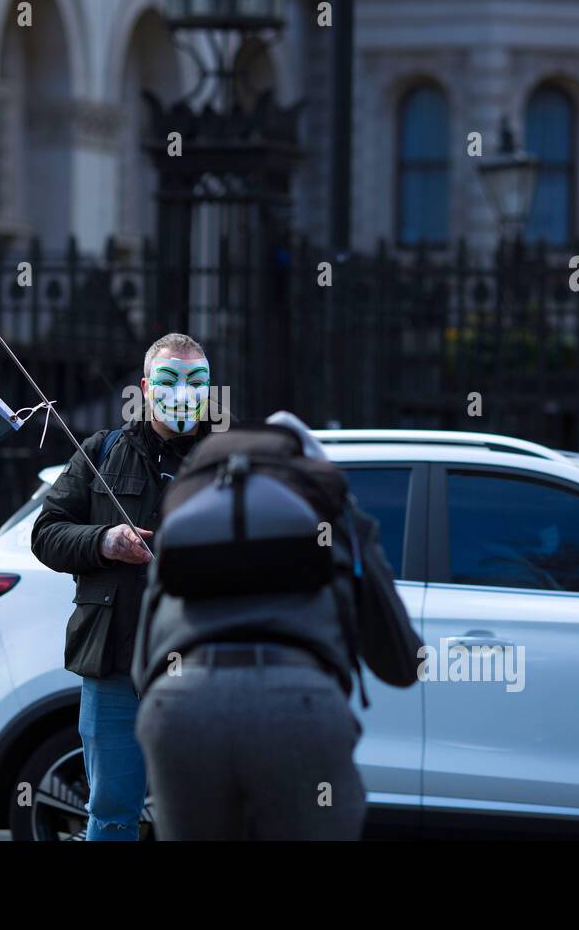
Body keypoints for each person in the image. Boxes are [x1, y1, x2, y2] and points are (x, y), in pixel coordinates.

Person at [130, 412, 422, 840]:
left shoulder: (187, 509)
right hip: (299, 705)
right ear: (310, 471)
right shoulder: (333, 514)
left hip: (178, 709)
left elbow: (142, 667)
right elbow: (401, 663)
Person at [31, 332, 216, 840]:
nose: (183, 392)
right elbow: (46, 533)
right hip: (114, 663)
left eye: (197, 381)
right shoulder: (101, 453)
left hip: (199, 666)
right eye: (169, 379)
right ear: (144, 386)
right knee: (111, 809)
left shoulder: (228, 460)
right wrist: (105, 540)